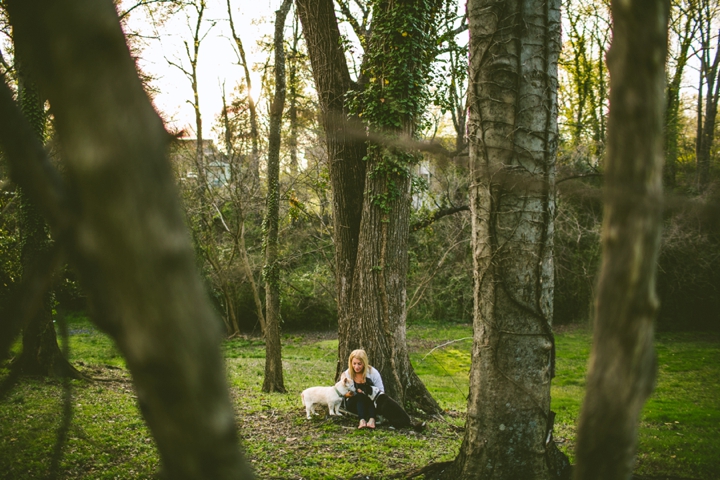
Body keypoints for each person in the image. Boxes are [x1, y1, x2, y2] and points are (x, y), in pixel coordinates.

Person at [340, 349, 384, 429]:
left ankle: (372, 420)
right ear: (351, 363)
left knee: (368, 395)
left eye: (359, 364)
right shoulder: (348, 374)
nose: (356, 367)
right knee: (360, 395)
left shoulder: (372, 373)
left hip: (371, 404)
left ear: (364, 363)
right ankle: (362, 420)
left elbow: (381, 391)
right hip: (354, 404)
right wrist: (348, 395)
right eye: (354, 364)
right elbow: (341, 392)